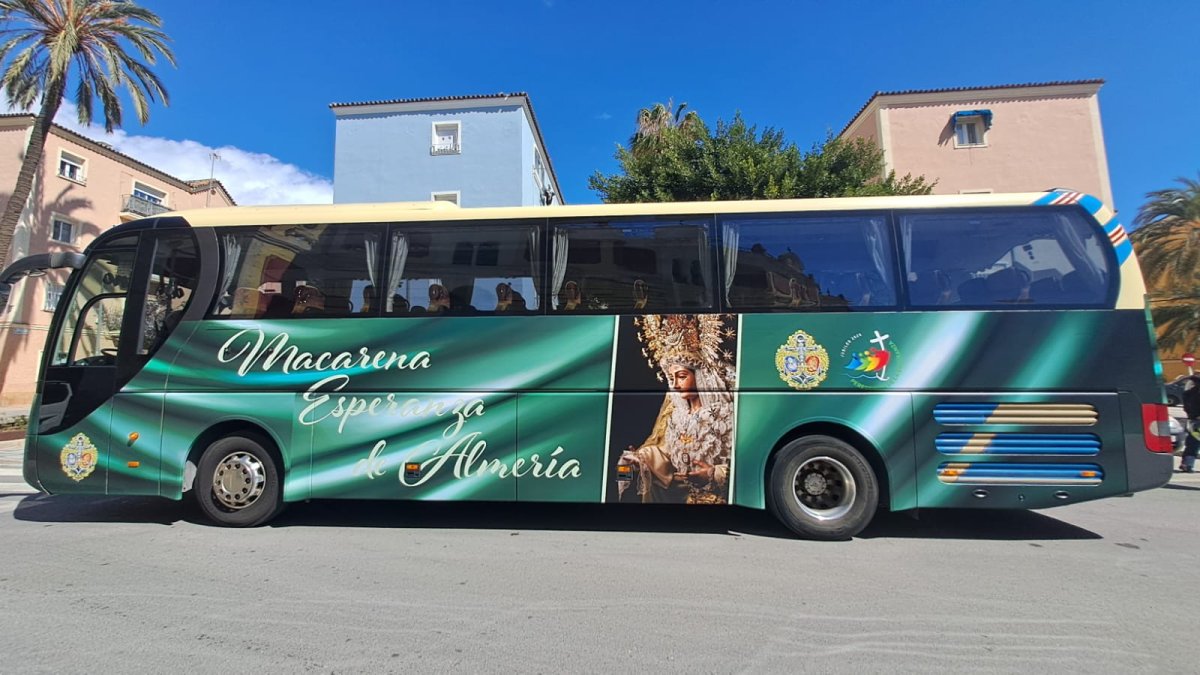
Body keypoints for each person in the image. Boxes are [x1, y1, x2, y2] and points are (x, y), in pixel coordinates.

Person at [618, 314, 735, 504]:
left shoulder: (725, 415)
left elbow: (747, 460)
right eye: (671, 378)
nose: (675, 384)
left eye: (681, 376)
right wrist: (642, 458)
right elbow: (665, 453)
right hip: (683, 497)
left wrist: (714, 474)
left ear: (699, 375)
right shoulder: (676, 415)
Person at [1178, 372, 1200, 473]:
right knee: (1193, 443)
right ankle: (1187, 464)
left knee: (1192, 443)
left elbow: (1186, 408)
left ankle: (1186, 464)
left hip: (1193, 420)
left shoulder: (1187, 393)